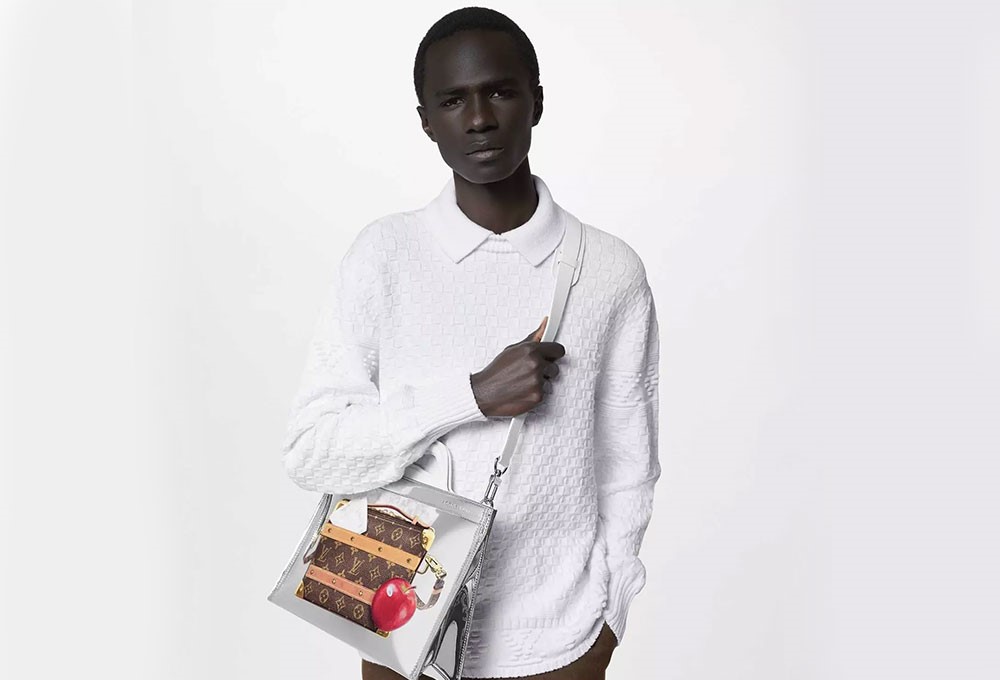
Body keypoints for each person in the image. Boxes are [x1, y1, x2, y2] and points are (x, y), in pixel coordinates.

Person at [281, 7, 661, 679]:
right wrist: (471, 396)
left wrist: (611, 620)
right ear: (426, 120)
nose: (480, 119)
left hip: (561, 642)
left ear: (536, 101)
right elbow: (313, 452)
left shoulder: (608, 270)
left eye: (500, 92)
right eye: (453, 101)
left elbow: (629, 465)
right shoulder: (385, 255)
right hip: (400, 631)